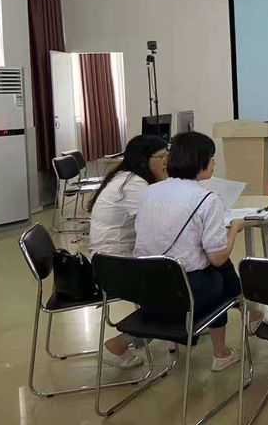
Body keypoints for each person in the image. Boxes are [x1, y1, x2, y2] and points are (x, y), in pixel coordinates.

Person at [134, 131, 244, 372]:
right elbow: (218, 257)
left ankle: (129, 338)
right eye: (211, 156)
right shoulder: (208, 199)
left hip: (146, 287)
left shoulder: (149, 192)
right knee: (222, 275)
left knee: (216, 271)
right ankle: (221, 352)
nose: (215, 162)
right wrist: (234, 229)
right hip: (188, 291)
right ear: (199, 160)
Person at [88, 135, 169, 369]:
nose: (167, 161)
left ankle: (149, 333)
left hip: (116, 260)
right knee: (177, 285)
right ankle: (120, 344)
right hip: (113, 267)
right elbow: (156, 227)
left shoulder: (129, 178)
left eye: (168, 155)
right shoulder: (133, 185)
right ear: (143, 160)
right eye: (161, 156)